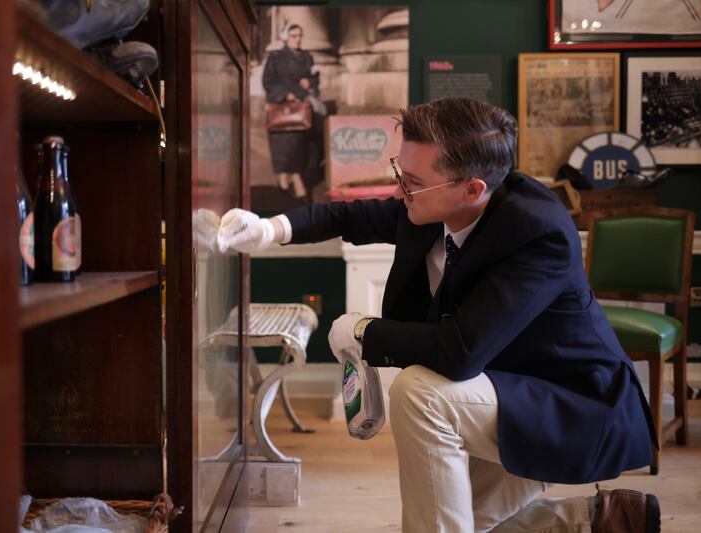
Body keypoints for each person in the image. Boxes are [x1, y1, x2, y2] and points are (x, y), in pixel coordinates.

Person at [217, 97, 659, 533]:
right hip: (505, 390)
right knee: (464, 523)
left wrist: (361, 332)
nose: (398, 190)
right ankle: (596, 521)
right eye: (399, 172)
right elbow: (347, 216)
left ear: (472, 189)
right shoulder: (430, 204)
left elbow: (459, 352)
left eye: (411, 181)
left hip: (571, 406)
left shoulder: (537, 231)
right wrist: (269, 228)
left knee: (418, 393)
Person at [262, 23, 319, 200]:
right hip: (281, 108)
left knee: (298, 147)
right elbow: (268, 80)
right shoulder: (276, 57)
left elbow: (315, 78)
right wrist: (285, 94)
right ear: (286, 37)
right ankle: (288, 180)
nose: (297, 39)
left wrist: (310, 83)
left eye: (300, 35)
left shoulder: (307, 57)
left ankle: (290, 180)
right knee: (281, 147)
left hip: (300, 111)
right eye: (293, 35)